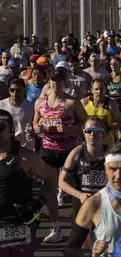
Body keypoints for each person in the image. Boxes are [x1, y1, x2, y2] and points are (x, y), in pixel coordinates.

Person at [0, 108, 56, 257]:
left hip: (20, 225)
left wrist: (38, 202)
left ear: (10, 130)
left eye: (0, 126)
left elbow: (51, 178)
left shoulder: (26, 157)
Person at [33, 70, 87, 242]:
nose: (55, 83)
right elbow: (35, 122)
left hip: (70, 149)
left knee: (73, 189)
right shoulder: (40, 103)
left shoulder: (71, 103)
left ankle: (77, 227)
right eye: (52, 80)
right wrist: (36, 129)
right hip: (48, 149)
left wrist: (70, 129)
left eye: (58, 80)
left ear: (64, 83)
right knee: (49, 189)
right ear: (48, 82)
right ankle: (56, 227)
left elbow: (85, 123)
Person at [58, 117, 109, 224]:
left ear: (103, 133)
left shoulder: (111, 153)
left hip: (105, 203)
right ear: (83, 133)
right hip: (82, 203)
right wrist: (79, 195)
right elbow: (61, 182)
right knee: (79, 239)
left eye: (96, 131)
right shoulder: (77, 152)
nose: (92, 135)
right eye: (88, 131)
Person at [82, 79, 121, 146]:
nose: (99, 92)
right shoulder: (85, 102)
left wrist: (108, 127)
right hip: (89, 143)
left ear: (105, 90)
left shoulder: (111, 103)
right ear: (92, 90)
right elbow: (79, 122)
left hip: (107, 143)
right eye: (96, 89)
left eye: (101, 89)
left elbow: (119, 122)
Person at [0, 78, 36, 151]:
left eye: (18, 91)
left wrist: (35, 131)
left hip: (26, 149)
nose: (15, 93)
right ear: (8, 91)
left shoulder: (32, 107)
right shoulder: (1, 105)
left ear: (24, 90)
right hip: (6, 148)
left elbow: (37, 127)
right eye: (12, 90)